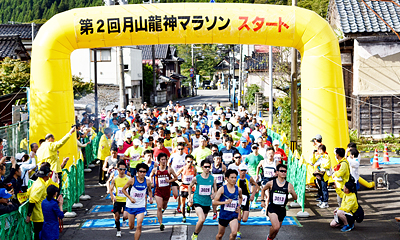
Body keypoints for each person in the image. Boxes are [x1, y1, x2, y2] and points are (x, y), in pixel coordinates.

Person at [260, 164, 298, 240]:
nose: (283, 173)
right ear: (277, 172)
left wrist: (292, 192)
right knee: (276, 227)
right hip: (272, 208)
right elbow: (263, 189)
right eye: (281, 171)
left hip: (282, 209)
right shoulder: (271, 183)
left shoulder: (289, 185)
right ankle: (269, 238)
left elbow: (295, 198)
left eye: (285, 171)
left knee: (276, 230)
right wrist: (262, 200)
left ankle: (271, 238)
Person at [122, 163, 153, 240]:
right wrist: (130, 198)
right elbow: (123, 189)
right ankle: (126, 218)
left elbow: (149, 190)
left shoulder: (147, 181)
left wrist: (151, 198)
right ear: (137, 172)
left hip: (141, 206)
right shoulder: (132, 180)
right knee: (131, 226)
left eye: (144, 172)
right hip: (131, 206)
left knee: (139, 225)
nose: (142, 173)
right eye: (140, 171)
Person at [188, 159, 217, 240]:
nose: (207, 168)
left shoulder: (213, 179)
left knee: (202, 222)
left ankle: (195, 234)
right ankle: (194, 236)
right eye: (205, 167)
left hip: (207, 202)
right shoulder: (196, 178)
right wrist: (190, 197)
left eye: (209, 167)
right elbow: (189, 186)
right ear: (202, 167)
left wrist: (214, 194)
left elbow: (215, 190)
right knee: (202, 218)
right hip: (197, 200)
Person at [150, 153, 178, 231]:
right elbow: (151, 175)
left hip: (167, 191)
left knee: (164, 206)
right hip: (158, 191)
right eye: (162, 160)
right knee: (159, 207)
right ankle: (161, 224)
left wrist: (169, 180)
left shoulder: (169, 169)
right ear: (159, 161)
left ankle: (163, 209)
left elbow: (176, 178)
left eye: (165, 159)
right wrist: (152, 182)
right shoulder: (155, 169)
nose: (163, 161)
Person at [213, 169, 243, 240]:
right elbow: (214, 202)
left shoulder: (238, 189)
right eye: (232, 177)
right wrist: (224, 202)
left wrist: (239, 206)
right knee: (220, 235)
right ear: (226, 178)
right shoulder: (222, 189)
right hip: (224, 215)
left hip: (233, 214)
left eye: (235, 177)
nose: (234, 179)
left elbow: (241, 198)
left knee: (234, 233)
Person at [26, 165, 52, 240]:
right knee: (39, 235)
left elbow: (28, 193)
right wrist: (29, 215)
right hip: (39, 215)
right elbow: (32, 201)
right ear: (47, 175)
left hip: (41, 213)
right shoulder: (40, 186)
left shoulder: (38, 182)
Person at [236, 163, 259, 240]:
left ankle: (236, 220)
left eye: (244, 170)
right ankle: (237, 232)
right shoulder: (236, 178)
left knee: (244, 219)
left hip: (246, 199)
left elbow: (256, 185)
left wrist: (252, 195)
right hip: (238, 198)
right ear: (239, 170)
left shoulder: (249, 178)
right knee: (238, 217)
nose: (243, 172)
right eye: (242, 170)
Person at [110, 161, 130, 237]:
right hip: (117, 200)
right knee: (117, 217)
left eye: (124, 169)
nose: (122, 171)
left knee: (125, 216)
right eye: (120, 169)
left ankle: (124, 219)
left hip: (126, 200)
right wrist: (112, 196)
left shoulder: (128, 178)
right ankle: (118, 230)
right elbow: (111, 189)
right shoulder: (115, 179)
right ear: (117, 169)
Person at [175, 154, 197, 223]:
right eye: (188, 161)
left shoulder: (194, 169)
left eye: (191, 162)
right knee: (183, 204)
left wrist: (196, 184)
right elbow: (174, 177)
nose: (189, 163)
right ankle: (184, 217)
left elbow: (195, 177)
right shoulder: (182, 168)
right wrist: (178, 183)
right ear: (185, 161)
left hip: (191, 187)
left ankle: (189, 205)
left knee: (191, 203)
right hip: (184, 187)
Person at [245, 143, 264, 208]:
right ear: (251, 149)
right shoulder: (249, 156)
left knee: (257, 189)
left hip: (258, 175)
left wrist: (261, 173)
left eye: (256, 148)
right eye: (253, 148)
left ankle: (254, 202)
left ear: (258, 148)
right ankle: (250, 200)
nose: (255, 149)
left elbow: (262, 166)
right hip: (250, 174)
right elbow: (244, 163)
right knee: (251, 189)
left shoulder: (261, 157)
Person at [169, 142, 187, 212]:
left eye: (181, 149)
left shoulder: (185, 156)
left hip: (182, 177)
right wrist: (170, 171)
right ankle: (174, 195)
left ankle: (179, 206)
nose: (180, 150)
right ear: (176, 149)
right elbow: (169, 163)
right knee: (176, 194)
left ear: (184, 148)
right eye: (179, 149)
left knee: (180, 194)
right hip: (174, 177)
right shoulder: (173, 156)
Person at [312, 144, 331, 208]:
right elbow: (313, 161)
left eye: (320, 149)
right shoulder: (319, 156)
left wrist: (320, 164)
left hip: (324, 175)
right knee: (321, 188)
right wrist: (313, 154)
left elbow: (327, 165)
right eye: (318, 149)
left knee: (324, 188)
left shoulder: (326, 156)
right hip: (319, 174)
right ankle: (322, 200)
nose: (319, 151)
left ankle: (325, 202)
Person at [211, 152, 227, 220]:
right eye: (217, 159)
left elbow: (226, 176)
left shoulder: (223, 166)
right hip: (213, 185)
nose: (218, 160)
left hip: (220, 184)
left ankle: (222, 212)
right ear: (214, 159)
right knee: (213, 200)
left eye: (219, 159)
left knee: (221, 199)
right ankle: (215, 213)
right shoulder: (211, 166)